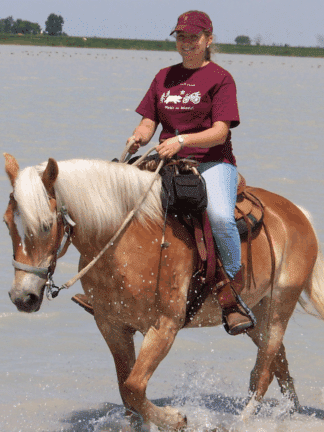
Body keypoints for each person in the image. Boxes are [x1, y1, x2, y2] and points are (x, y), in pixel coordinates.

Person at [126, 10, 253, 335]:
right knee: (122, 203)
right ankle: (119, 285)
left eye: (193, 37)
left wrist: (181, 140)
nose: (186, 43)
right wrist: (140, 136)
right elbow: (149, 120)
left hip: (212, 163)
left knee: (222, 217)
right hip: (167, 161)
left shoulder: (220, 78)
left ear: (208, 40)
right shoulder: (163, 76)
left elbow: (220, 132)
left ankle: (232, 294)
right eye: (181, 37)